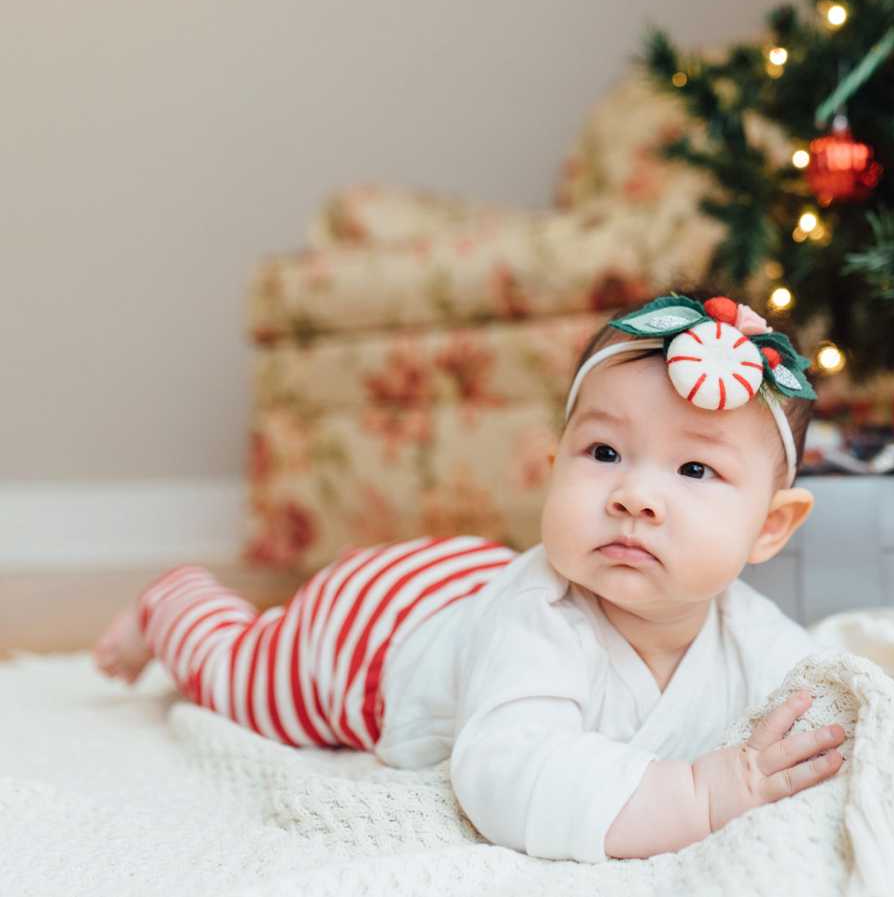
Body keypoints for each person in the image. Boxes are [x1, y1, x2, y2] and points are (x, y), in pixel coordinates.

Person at [93, 292, 845, 862]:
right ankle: (172, 602)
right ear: (555, 470)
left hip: (468, 584)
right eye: (605, 453)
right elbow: (508, 777)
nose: (634, 495)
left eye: (694, 468)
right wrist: (702, 791)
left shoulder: (749, 632)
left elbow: (826, 705)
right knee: (240, 674)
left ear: (770, 527)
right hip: (369, 633)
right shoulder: (537, 622)